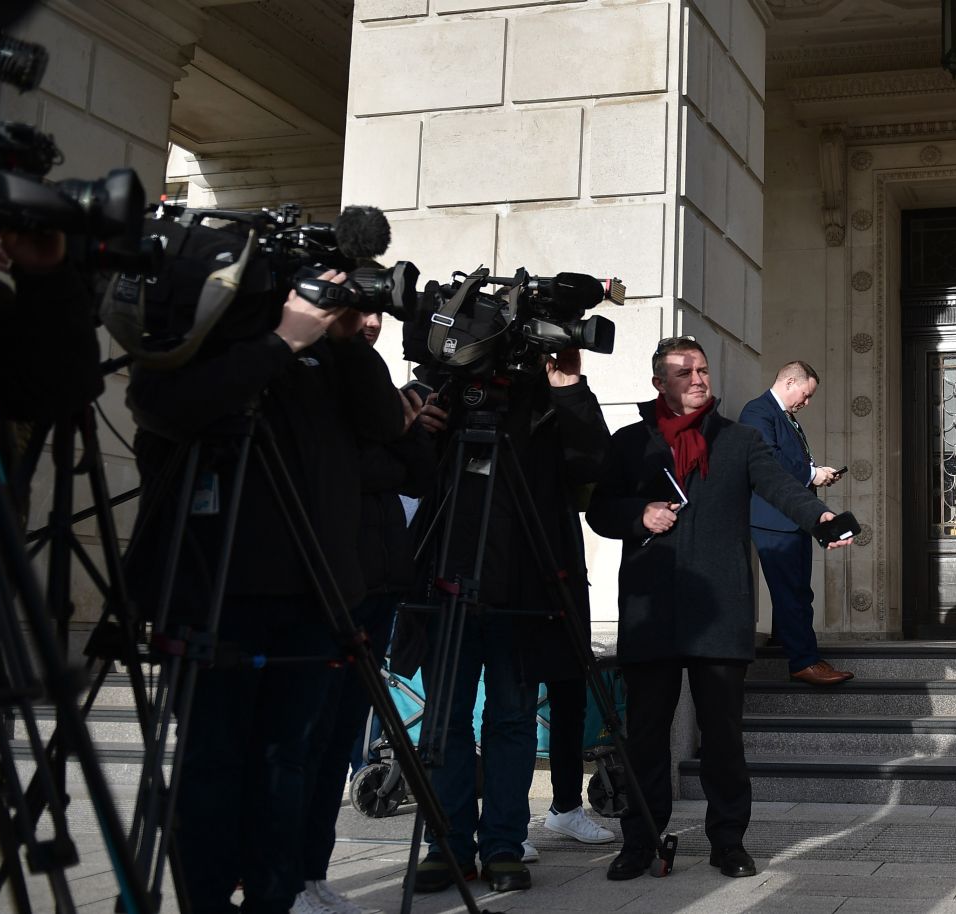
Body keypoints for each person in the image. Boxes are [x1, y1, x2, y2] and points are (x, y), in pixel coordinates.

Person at [126, 269, 405, 914]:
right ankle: (205, 898)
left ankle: (274, 897)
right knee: (212, 763)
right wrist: (280, 341)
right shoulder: (204, 334)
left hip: (313, 595)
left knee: (290, 764)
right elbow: (162, 408)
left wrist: (339, 339)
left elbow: (385, 424)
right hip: (213, 590)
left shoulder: (334, 357)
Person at [587, 337, 849, 882]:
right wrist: (640, 515)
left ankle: (728, 841)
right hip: (651, 612)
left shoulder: (740, 440)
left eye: (703, 370)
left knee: (724, 737)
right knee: (646, 737)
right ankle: (640, 841)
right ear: (660, 382)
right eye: (684, 373)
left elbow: (782, 488)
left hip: (721, 612)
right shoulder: (631, 443)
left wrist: (821, 520)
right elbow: (599, 510)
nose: (698, 380)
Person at [397, 344, 614, 894]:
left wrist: (568, 390)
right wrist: (417, 420)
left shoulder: (547, 398)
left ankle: (502, 845)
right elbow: (408, 471)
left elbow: (593, 467)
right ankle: (446, 845)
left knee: (512, 721)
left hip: (522, 588)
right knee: (444, 723)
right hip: (447, 581)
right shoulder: (446, 386)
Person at [292, 310, 444, 914]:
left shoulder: (375, 376)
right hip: (327, 583)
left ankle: (312, 873)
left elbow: (423, 476)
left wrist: (404, 430)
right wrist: (393, 440)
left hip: (380, 583)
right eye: (359, 308)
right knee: (305, 738)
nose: (373, 321)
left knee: (338, 744)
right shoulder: (309, 369)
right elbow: (341, 471)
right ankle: (282, 876)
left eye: (378, 309)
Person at [738, 361, 849, 686]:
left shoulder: (785, 417)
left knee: (799, 590)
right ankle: (803, 661)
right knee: (791, 591)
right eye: (805, 394)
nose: (807, 402)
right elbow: (768, 463)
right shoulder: (758, 411)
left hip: (791, 517)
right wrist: (812, 474)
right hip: (773, 520)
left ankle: (801, 650)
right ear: (788, 381)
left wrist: (816, 473)